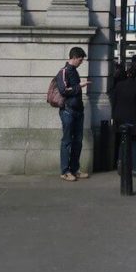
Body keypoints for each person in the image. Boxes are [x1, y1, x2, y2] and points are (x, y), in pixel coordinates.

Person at [55, 46, 90, 182]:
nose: (81, 62)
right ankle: (65, 171)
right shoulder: (63, 72)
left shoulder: (74, 71)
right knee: (67, 141)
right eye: (80, 60)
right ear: (74, 58)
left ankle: (74, 169)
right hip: (68, 111)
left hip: (78, 111)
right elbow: (64, 90)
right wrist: (80, 86)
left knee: (77, 141)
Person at [111, 66, 136, 176]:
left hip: (120, 118)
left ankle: (121, 166)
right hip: (135, 119)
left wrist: (114, 116)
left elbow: (114, 102)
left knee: (122, 143)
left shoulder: (118, 86)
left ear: (127, 74)